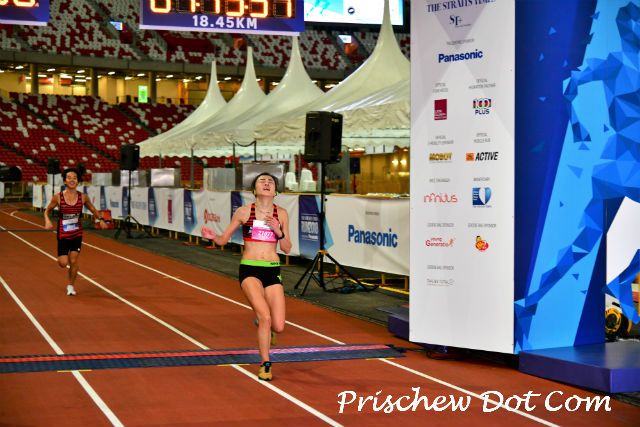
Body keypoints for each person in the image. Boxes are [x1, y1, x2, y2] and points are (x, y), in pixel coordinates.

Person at [201, 172, 291, 381]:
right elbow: (223, 240)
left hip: (272, 269)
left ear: (275, 191)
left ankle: (266, 326)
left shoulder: (281, 214)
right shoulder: (243, 212)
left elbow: (287, 248)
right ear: (254, 190)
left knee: (278, 326)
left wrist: (278, 231)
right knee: (265, 317)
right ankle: (265, 364)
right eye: (262, 181)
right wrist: (213, 237)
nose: (267, 183)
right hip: (250, 269)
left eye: (270, 182)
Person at [44, 168, 107, 296]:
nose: (72, 180)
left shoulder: (83, 197)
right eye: (69, 178)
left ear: (78, 181)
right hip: (63, 234)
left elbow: (93, 209)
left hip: (76, 234)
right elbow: (47, 210)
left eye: (74, 178)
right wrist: (47, 220)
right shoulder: (58, 197)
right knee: (63, 263)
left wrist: (101, 220)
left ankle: (71, 286)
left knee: (73, 261)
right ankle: (66, 262)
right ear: (65, 181)